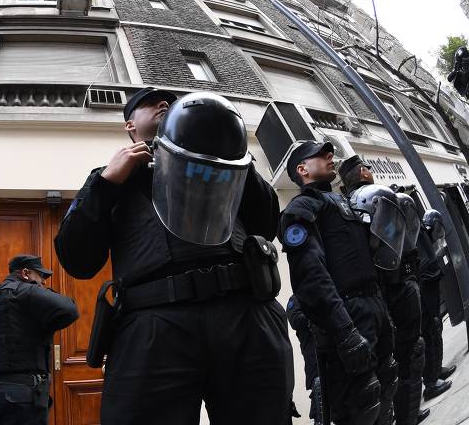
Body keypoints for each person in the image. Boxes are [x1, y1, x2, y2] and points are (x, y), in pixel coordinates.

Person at [55, 88, 293, 425]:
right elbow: (76, 259)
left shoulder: (224, 163)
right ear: (129, 126)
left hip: (246, 315)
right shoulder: (110, 178)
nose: (164, 104)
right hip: (154, 326)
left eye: (170, 102)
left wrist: (236, 160)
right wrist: (106, 183)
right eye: (150, 103)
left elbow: (267, 225)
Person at [280, 141, 395, 425]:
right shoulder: (302, 208)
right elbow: (311, 277)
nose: (330, 156)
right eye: (320, 154)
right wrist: (344, 331)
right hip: (348, 315)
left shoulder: (343, 203)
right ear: (302, 169)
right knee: (362, 405)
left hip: (372, 307)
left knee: (386, 391)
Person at [339, 156, 437, 424]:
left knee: (408, 355)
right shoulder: (364, 200)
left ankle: (409, 412)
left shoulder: (365, 200)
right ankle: (406, 415)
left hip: (396, 287)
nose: (370, 171)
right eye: (366, 168)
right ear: (361, 172)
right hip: (388, 290)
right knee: (401, 360)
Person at [0, 255, 79, 424]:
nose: (44, 282)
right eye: (40, 276)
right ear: (25, 273)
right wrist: (37, 292)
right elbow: (70, 309)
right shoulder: (27, 292)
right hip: (21, 397)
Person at [419, 210, 455, 399]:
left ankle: (436, 370)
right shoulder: (419, 235)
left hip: (428, 287)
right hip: (424, 290)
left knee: (435, 330)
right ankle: (431, 382)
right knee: (430, 332)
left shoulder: (421, 234)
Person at [286, 295, 322, 425]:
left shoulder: (328, 293)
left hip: (336, 364)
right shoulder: (295, 300)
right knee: (321, 412)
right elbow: (296, 320)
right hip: (316, 365)